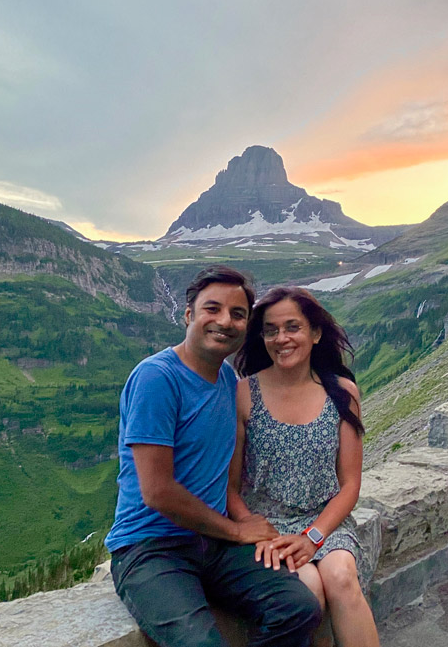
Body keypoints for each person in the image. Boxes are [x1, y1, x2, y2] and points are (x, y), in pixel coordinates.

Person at [104, 266, 322, 647]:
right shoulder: (157, 378)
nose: (225, 321)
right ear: (188, 315)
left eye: (238, 314)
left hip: (211, 544)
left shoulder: (226, 381)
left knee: (298, 607)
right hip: (150, 547)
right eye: (212, 309)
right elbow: (157, 491)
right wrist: (239, 531)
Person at [229, 287, 380, 647]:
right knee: (308, 589)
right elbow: (230, 486)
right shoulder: (243, 393)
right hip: (268, 529)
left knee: (341, 576)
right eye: (271, 329)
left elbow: (350, 484)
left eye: (292, 327)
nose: (281, 338)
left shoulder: (342, 393)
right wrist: (253, 528)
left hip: (324, 521)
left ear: (315, 333)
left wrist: (314, 536)